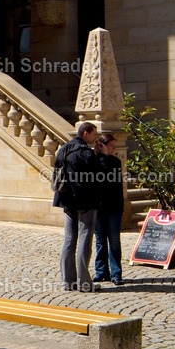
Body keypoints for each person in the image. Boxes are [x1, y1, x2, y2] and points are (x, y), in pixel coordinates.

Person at [52, 121, 103, 292]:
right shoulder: (85, 153)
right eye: (94, 134)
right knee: (84, 240)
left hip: (67, 200)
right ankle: (84, 283)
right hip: (85, 201)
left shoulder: (64, 149)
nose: (96, 138)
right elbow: (99, 175)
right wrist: (100, 155)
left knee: (69, 240)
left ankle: (68, 281)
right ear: (85, 133)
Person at [93, 132, 125, 285]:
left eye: (114, 146)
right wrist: (102, 155)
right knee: (100, 241)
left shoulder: (115, 162)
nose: (113, 149)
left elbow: (109, 178)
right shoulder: (94, 161)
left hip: (114, 207)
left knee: (113, 241)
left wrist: (105, 156)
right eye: (111, 146)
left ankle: (116, 273)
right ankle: (101, 271)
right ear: (103, 146)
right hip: (98, 207)